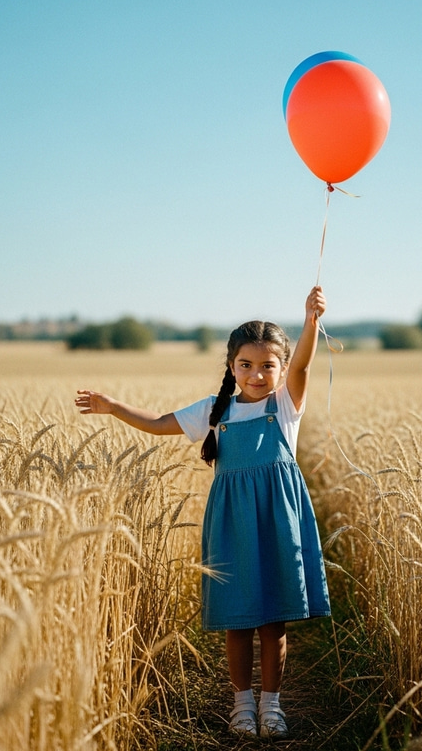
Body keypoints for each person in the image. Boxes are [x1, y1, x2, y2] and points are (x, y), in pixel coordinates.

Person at [74, 285, 331, 738]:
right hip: (232, 524)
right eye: (245, 365)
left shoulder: (285, 406)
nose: (256, 374)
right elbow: (158, 424)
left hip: (277, 521)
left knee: (274, 619)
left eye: (267, 366)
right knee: (238, 617)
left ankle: (272, 705)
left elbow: (306, 364)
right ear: (232, 367)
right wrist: (113, 407)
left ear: (281, 368)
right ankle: (242, 705)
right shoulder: (215, 411)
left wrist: (311, 321)